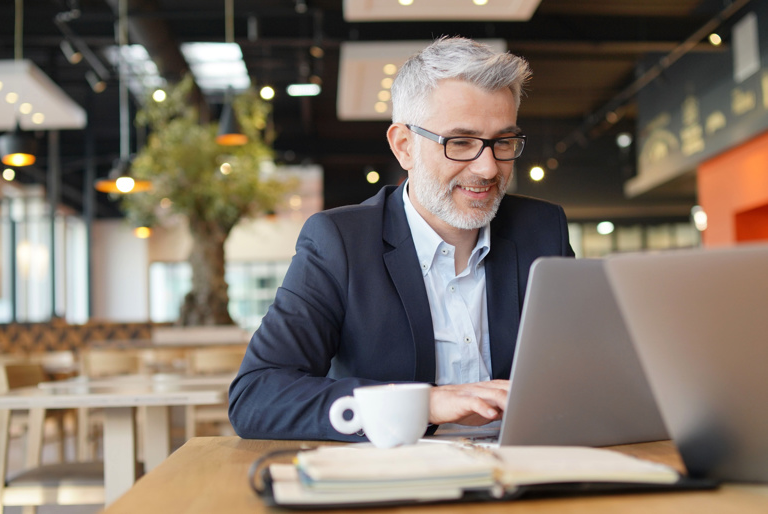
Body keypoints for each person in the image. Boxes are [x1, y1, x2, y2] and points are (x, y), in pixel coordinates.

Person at [229, 36, 574, 441]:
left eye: (502, 142)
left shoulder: (542, 229)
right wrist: (425, 403)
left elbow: (592, 365)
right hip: (398, 480)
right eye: (460, 143)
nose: (487, 168)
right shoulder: (339, 242)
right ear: (404, 146)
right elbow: (257, 395)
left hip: (527, 473)